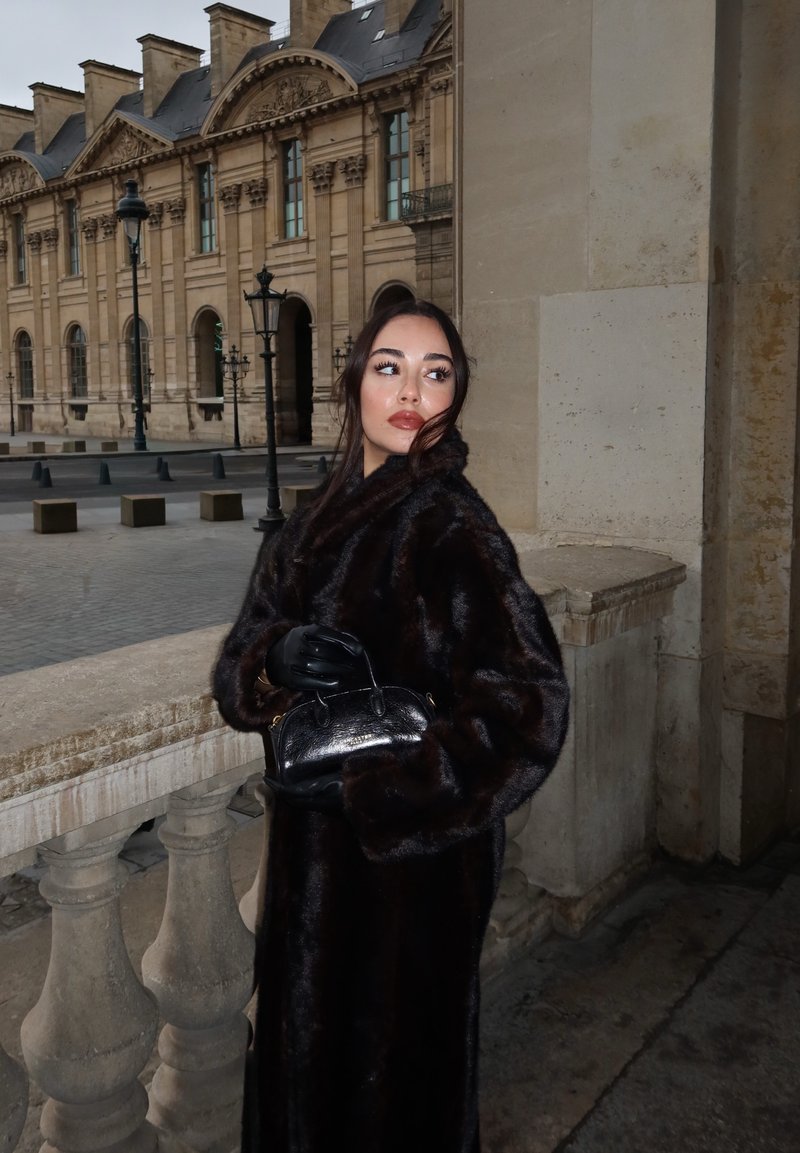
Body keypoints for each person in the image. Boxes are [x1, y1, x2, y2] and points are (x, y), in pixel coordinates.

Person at [213, 299, 569, 1153]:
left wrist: (377, 791)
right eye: (391, 367)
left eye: (436, 371)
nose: (414, 389)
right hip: (312, 881)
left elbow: (529, 710)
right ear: (354, 385)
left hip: (412, 887)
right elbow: (236, 670)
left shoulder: (454, 527)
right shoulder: (303, 527)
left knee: (393, 1103)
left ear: (457, 394)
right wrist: (276, 652)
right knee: (305, 1083)